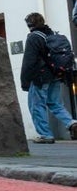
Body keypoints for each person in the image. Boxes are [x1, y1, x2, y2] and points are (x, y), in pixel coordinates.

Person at [19, 12, 77, 143]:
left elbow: (29, 61)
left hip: (40, 77)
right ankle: (71, 123)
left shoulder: (34, 37)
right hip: (56, 75)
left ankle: (45, 135)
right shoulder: (52, 34)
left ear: (29, 25)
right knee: (55, 103)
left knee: (36, 106)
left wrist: (25, 82)